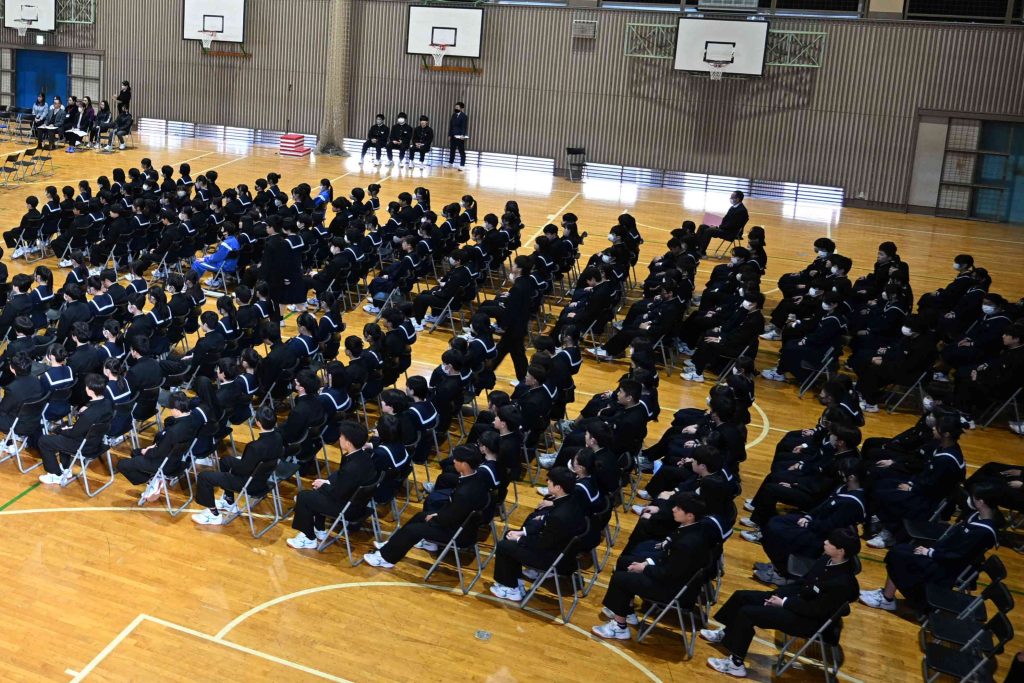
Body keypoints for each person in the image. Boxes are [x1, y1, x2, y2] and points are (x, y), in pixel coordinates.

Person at [702, 528, 861, 678]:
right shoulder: (827, 558)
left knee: (747, 613)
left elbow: (815, 610)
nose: (825, 542)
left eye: (830, 542)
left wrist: (784, 603)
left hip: (807, 621)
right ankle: (728, 633)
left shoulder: (842, 583)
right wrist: (778, 594)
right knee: (741, 596)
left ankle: (736, 665)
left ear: (841, 551)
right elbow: (803, 582)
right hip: (797, 602)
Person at [591, 492, 713, 639]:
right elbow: (669, 557)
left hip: (672, 589)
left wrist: (644, 568)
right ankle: (626, 611)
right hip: (672, 575)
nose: (673, 509)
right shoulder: (692, 528)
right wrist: (647, 562)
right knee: (624, 562)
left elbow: (668, 574)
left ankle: (620, 627)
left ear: (690, 516)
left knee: (620, 579)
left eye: (679, 508)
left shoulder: (688, 543)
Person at [860, 485, 1000, 612]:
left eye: (974, 497)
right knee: (900, 550)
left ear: (981, 502)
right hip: (941, 554)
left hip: (947, 567)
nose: (970, 500)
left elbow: (958, 555)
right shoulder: (976, 515)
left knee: (900, 555)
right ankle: (887, 596)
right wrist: (932, 550)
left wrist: (931, 553)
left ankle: (887, 600)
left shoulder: (984, 531)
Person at [363, 446, 490, 568]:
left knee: (412, 531)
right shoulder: (477, 478)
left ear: (465, 464)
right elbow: (455, 511)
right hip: (459, 522)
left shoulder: (464, 492)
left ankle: (386, 559)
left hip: (457, 532)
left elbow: (450, 518)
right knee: (420, 516)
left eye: (457, 459)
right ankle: (392, 545)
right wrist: (437, 514)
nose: (454, 461)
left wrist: (435, 518)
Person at [488, 466, 588, 602]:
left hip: (551, 558)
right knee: (509, 535)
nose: (547, 482)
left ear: (558, 487)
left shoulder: (558, 516)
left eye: (550, 481)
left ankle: (511, 588)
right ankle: (515, 582)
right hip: (564, 553)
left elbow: (543, 544)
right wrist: (522, 533)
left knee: (504, 546)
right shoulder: (572, 501)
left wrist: (520, 539)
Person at [192, 406, 284, 526]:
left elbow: (242, 470)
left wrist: (240, 462)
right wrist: (240, 461)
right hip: (262, 478)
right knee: (225, 461)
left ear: (258, 423)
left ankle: (213, 514)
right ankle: (228, 500)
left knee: (204, 477)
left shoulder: (254, 446)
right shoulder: (278, 437)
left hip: (248, 483)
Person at [114, 392, 200, 502]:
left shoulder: (174, 431)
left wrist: (146, 451)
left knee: (122, 464)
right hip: (177, 458)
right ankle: (156, 478)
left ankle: (152, 480)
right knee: (135, 453)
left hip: (165, 464)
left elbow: (158, 453)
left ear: (177, 410)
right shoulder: (193, 420)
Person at [36, 374, 113, 485]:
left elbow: (73, 433)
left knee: (44, 440)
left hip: (84, 446)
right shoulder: (108, 403)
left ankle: (55, 475)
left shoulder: (89, 414)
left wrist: (59, 429)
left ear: (90, 391)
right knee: (62, 435)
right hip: (96, 441)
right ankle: (66, 469)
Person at [695, 191, 749, 255]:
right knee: (702, 226)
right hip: (725, 228)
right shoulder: (733, 207)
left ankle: (701, 252)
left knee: (709, 231)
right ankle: (695, 247)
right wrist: (716, 224)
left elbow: (733, 225)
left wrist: (718, 227)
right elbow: (725, 219)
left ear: (738, 199)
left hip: (731, 232)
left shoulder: (742, 211)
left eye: (732, 197)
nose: (730, 198)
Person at [446, 101, 469, 171]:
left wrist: (462, 135)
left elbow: (464, 127)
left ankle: (462, 165)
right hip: (453, 135)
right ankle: (450, 163)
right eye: (455, 107)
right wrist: (449, 135)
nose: (456, 108)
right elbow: (451, 126)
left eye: (457, 107)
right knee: (452, 150)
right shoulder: (453, 115)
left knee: (461, 151)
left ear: (461, 108)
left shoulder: (464, 116)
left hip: (459, 136)